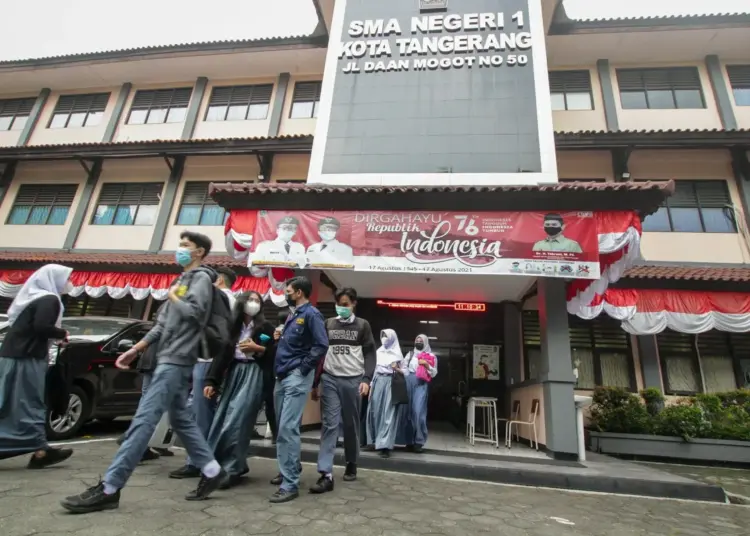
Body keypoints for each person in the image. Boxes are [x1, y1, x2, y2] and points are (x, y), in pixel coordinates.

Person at [61, 231, 227, 513]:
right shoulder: (181, 280)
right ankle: (212, 471)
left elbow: (195, 314)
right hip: (168, 357)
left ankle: (110, 487)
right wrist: (136, 348)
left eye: (186, 246)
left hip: (176, 359)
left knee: (143, 421)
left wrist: (174, 298)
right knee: (182, 421)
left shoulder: (199, 279)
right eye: (181, 245)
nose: (180, 250)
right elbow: (162, 325)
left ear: (199, 252)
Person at [0, 264, 74, 468]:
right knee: (28, 401)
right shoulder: (49, 299)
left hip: (13, 355)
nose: (70, 283)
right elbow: (41, 327)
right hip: (27, 358)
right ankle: (39, 449)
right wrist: (62, 333)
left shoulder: (32, 297)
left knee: (10, 401)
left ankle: (40, 449)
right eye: (67, 278)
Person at [202, 291, 274, 490]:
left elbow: (274, 354)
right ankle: (221, 466)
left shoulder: (266, 327)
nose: (254, 304)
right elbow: (222, 356)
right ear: (242, 303)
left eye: (257, 301)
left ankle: (233, 468)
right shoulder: (232, 327)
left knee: (238, 420)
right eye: (250, 300)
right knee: (223, 419)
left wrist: (258, 349)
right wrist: (211, 381)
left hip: (254, 373)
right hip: (234, 373)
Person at [170, 266, 237, 479]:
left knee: (201, 413)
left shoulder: (222, 299)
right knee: (196, 410)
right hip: (204, 360)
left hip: (208, 361)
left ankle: (199, 463)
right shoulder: (227, 300)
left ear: (218, 281)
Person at [310, 287, 376, 493]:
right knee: (329, 424)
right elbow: (320, 353)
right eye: (339, 304)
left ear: (354, 304)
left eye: (346, 304)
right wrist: (315, 382)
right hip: (330, 379)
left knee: (350, 424)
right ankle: (325, 473)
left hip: (353, 380)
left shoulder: (362, 325)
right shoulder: (328, 324)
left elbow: (370, 354)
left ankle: (351, 462)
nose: (342, 308)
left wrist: (366, 378)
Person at [268, 276, 328, 503]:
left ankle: (290, 484)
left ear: (300, 292)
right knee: (281, 428)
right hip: (282, 376)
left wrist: (303, 369)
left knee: (287, 428)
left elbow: (321, 344)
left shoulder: (311, 315)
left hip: (295, 376)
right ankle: (290, 469)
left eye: (289, 290)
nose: (286, 294)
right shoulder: (294, 315)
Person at [366, 329, 403, 459]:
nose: (384, 339)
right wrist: (371, 387)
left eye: (387, 336)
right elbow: (374, 370)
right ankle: (374, 441)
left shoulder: (397, 355)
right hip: (377, 382)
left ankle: (386, 446)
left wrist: (396, 368)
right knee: (375, 412)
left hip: (390, 382)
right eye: (383, 336)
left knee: (388, 414)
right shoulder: (378, 352)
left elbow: (405, 372)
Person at [399, 334, 437, 453]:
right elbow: (404, 368)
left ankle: (419, 441)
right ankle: (409, 441)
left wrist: (427, 365)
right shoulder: (410, 354)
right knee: (407, 413)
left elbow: (434, 373)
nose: (418, 342)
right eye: (417, 340)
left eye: (421, 341)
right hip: (408, 382)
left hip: (421, 384)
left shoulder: (431, 356)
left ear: (425, 342)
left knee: (418, 412)